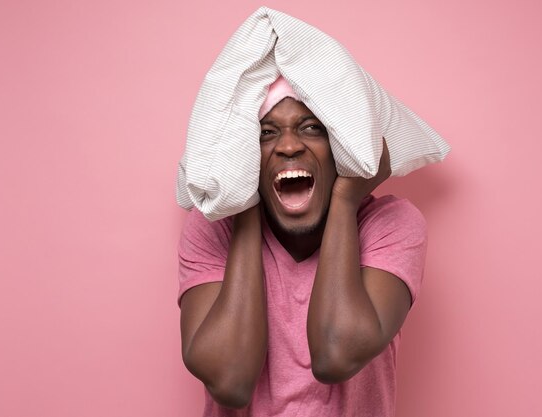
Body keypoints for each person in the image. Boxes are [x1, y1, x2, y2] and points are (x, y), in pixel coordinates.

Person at [178, 77, 427, 416]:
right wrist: (244, 203)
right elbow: (230, 382)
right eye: (266, 133)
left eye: (311, 128)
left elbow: (334, 357)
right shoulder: (213, 227)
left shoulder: (391, 224)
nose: (289, 146)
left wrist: (344, 200)